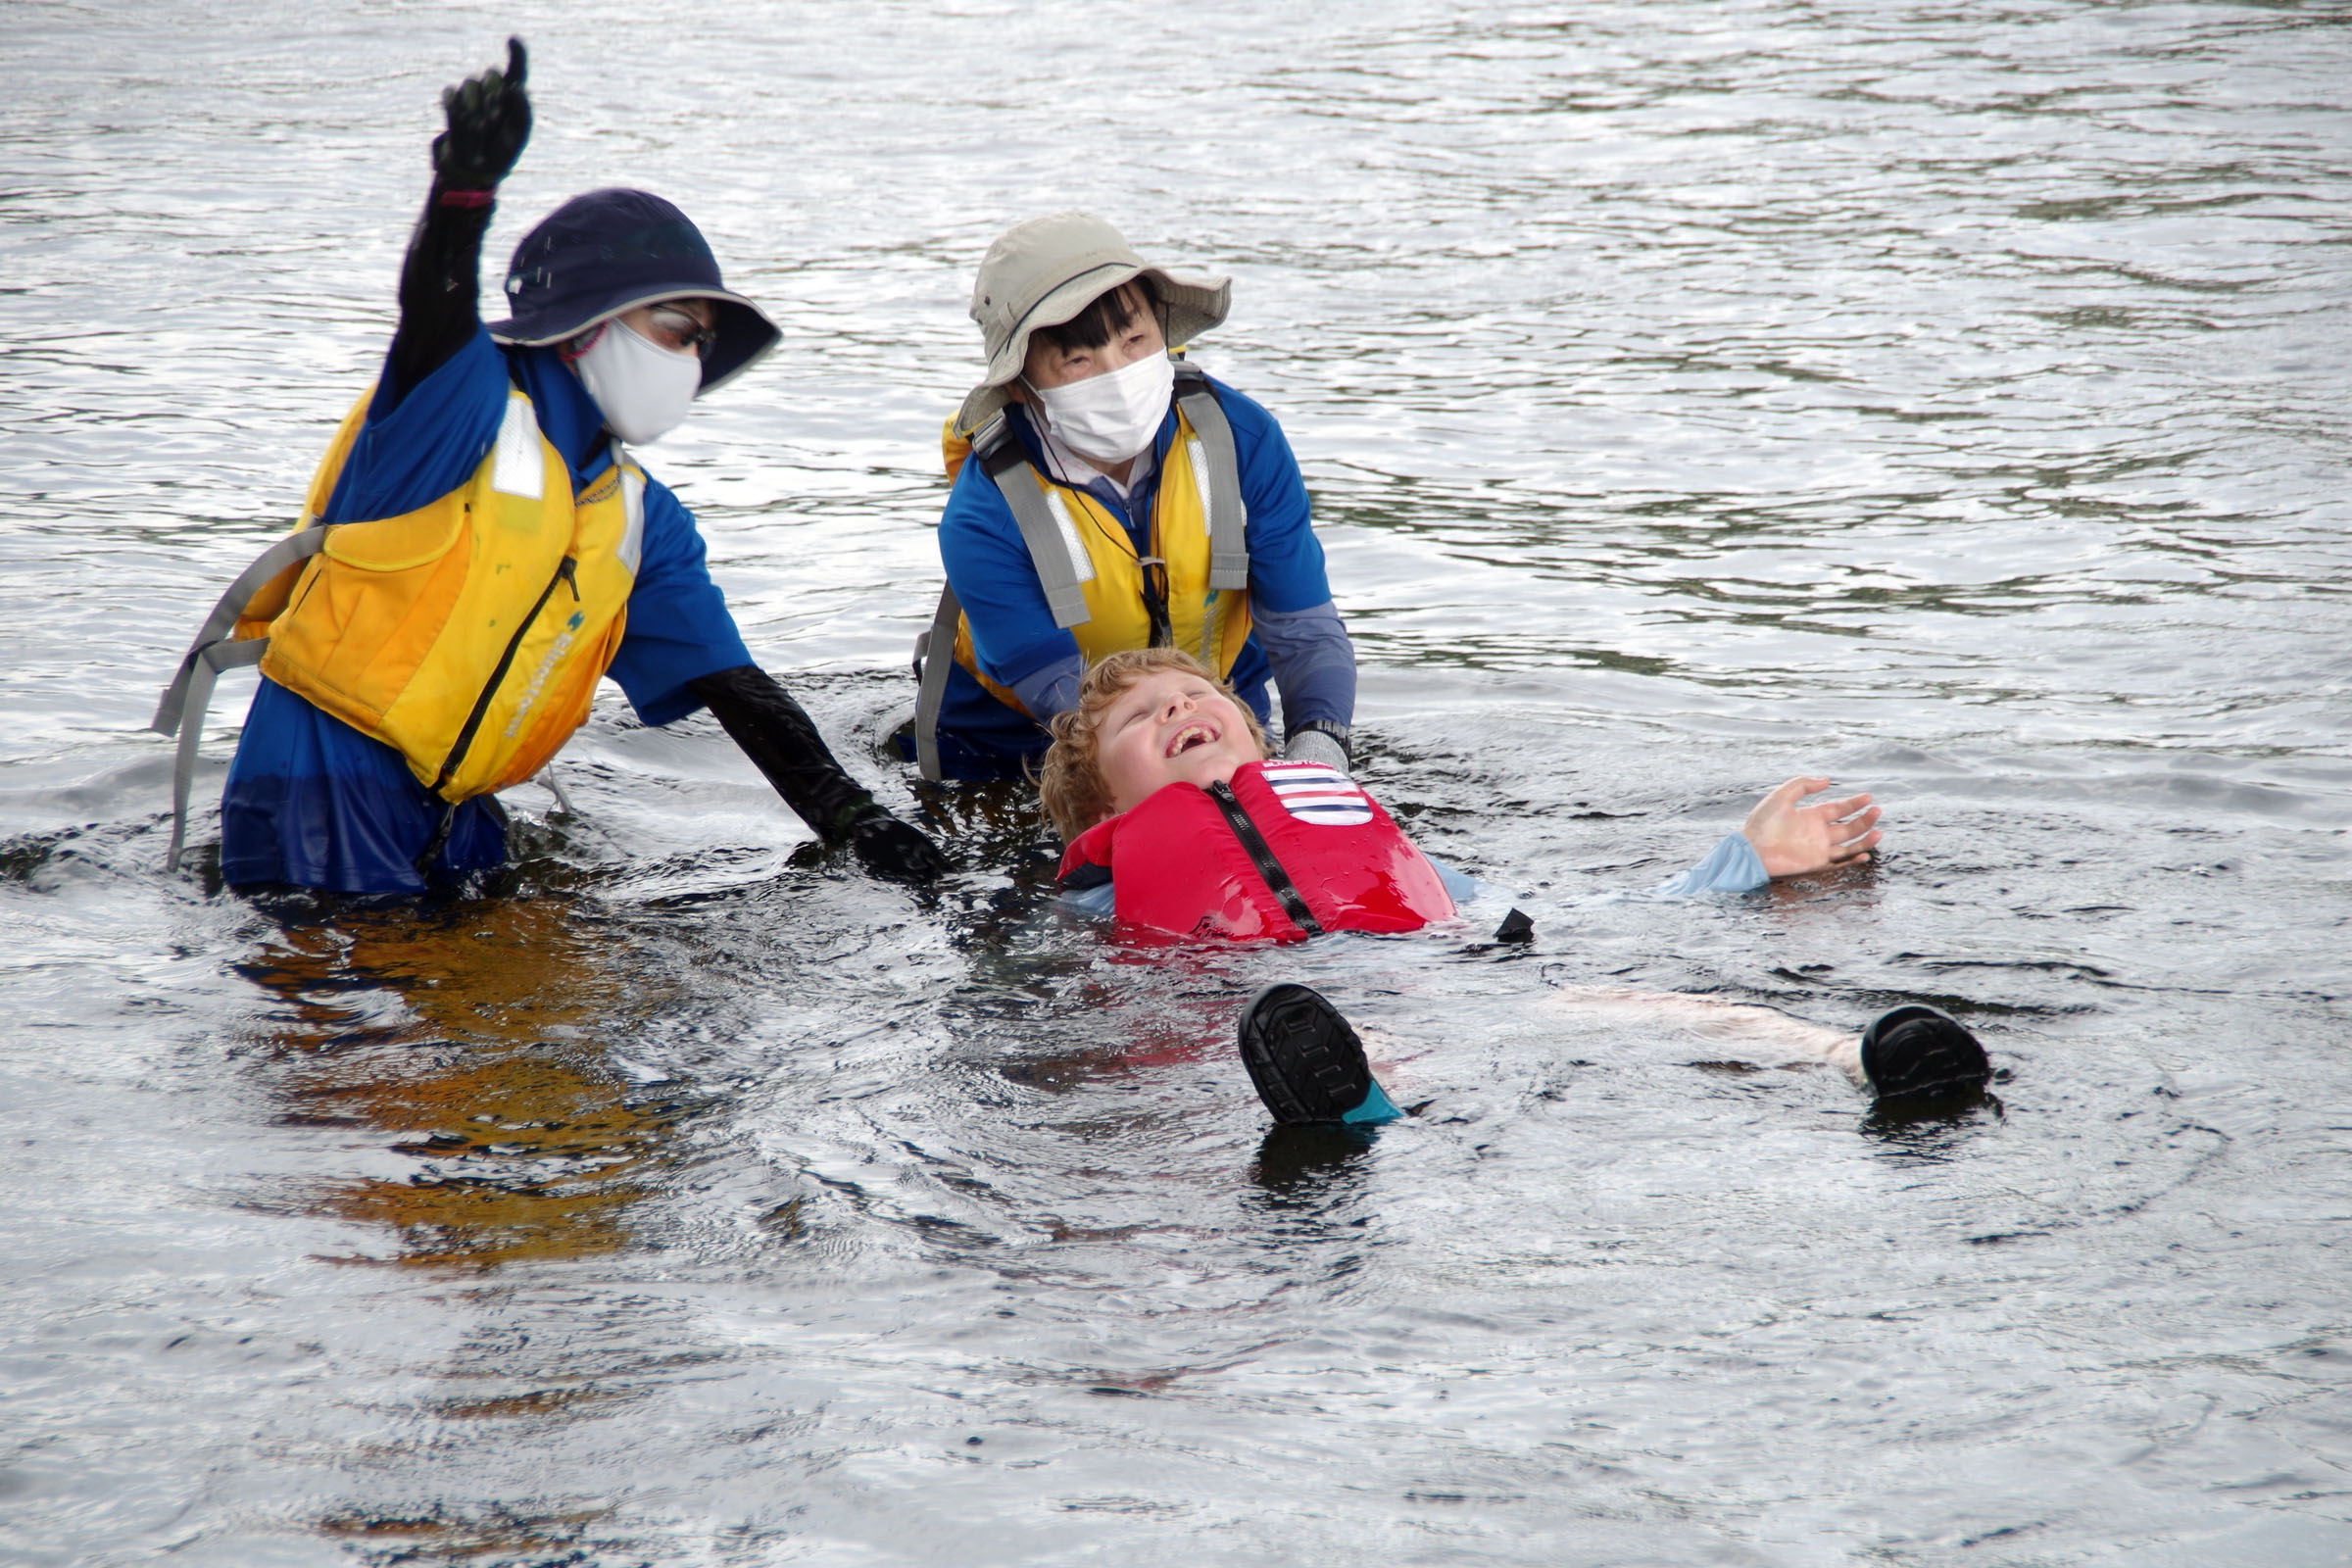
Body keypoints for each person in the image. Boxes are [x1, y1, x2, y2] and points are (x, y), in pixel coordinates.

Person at [154, 40, 947, 895]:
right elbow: (432, 314)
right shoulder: (461, 407)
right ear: (583, 325)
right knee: (350, 1023)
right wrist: (462, 197)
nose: (688, 362)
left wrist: (852, 819)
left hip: (461, 818)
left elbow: (732, 683)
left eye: (701, 347)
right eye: (677, 330)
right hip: (322, 789)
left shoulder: (642, 517)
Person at [1037, 649, 1991, 1126]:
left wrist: (1743, 861)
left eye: (1200, 695)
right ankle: (1355, 1105)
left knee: (1659, 1010)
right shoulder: (1096, 896)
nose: (1180, 706)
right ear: (1102, 809)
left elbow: (1550, 918)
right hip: (1279, 1006)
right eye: (1142, 716)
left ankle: (1858, 1059)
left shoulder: (1372, 845)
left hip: (1452, 980)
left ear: (1258, 742)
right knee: (1334, 1038)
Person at [902, 212, 1356, 783]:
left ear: (1163, 330)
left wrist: (1318, 750)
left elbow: (1304, 628)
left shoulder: (1246, 441)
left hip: (1209, 719)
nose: (1116, 372)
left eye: (1134, 340)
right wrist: (1188, 774)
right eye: (1077, 359)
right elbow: (1057, 693)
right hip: (1014, 745)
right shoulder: (980, 518)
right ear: (1020, 384)